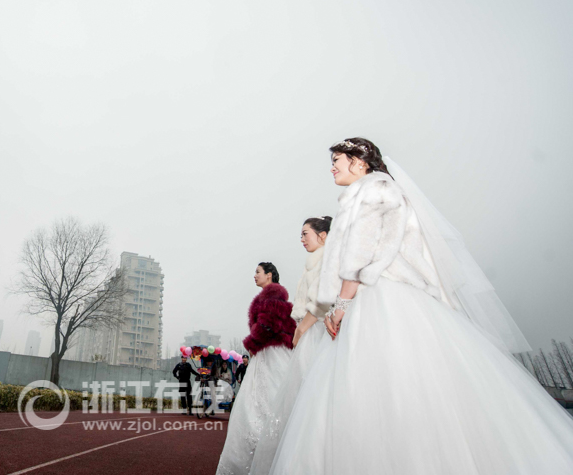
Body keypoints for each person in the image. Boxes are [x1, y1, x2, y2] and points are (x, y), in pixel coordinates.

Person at [267, 138, 573, 474]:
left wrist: (340, 304)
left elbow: (359, 253)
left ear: (360, 162)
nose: (332, 166)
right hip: (403, 297)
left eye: (338, 159)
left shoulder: (367, 193)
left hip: (377, 297)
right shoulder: (389, 191)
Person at [248, 216, 333, 475]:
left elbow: (320, 301)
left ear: (323, 236)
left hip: (312, 332)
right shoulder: (313, 264)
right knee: (303, 400)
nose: (302, 239)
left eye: (305, 233)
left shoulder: (325, 263)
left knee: (305, 399)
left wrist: (301, 329)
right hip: (307, 331)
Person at [215, 263, 295, 475]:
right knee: (261, 401)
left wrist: (252, 343)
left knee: (266, 401)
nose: (254, 276)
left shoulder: (273, 297)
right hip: (267, 354)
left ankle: (265, 454)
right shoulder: (271, 297)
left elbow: (268, 324)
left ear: (269, 275)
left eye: (258, 272)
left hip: (270, 354)